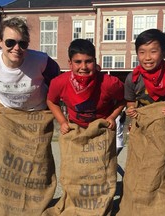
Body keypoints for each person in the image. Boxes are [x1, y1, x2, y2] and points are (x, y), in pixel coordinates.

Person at [0, 17, 60, 216]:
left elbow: (57, 83)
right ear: (0, 42)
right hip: (9, 116)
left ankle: (35, 203)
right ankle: (4, 203)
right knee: (5, 163)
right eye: (10, 42)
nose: (17, 48)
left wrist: (52, 105)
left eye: (22, 43)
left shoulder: (41, 60)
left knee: (37, 163)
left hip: (36, 116)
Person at [44, 38, 125, 215]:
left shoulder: (109, 82)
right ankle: (75, 202)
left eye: (88, 61)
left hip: (101, 131)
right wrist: (63, 122)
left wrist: (112, 116)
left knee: (103, 169)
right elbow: (51, 101)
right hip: (76, 130)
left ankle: (101, 204)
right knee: (75, 171)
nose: (83, 67)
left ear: (95, 62)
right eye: (78, 62)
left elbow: (123, 99)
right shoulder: (60, 82)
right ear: (70, 63)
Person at [118, 28, 165, 216]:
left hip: (163, 130)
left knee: (163, 164)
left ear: (163, 52)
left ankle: (162, 206)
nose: (147, 57)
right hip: (141, 128)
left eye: (153, 51)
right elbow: (130, 104)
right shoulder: (133, 78)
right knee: (137, 166)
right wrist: (130, 111)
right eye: (142, 52)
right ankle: (136, 205)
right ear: (137, 53)